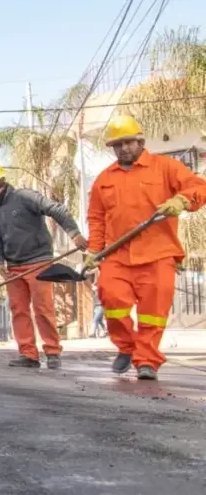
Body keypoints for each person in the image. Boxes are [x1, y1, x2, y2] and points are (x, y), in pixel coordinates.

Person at [86, 114, 206, 380]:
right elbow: (96, 219)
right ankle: (127, 347)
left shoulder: (165, 167)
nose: (123, 149)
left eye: (128, 142)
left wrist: (182, 200)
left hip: (158, 253)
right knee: (111, 298)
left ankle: (147, 361)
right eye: (117, 145)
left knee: (153, 313)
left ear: (140, 141)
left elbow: (198, 187)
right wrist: (94, 252)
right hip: (117, 255)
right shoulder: (103, 180)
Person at [0, 164, 88, 369]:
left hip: (38, 261)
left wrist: (74, 233)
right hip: (13, 267)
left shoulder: (24, 196)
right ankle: (28, 353)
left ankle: (53, 351)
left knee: (43, 308)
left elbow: (56, 209)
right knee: (18, 310)